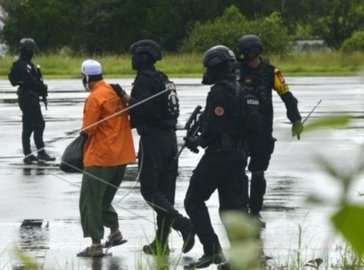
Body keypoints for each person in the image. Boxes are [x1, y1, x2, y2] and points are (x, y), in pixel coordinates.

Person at [121, 39, 194, 256]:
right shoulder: (163, 79)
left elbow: (141, 110)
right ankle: (160, 243)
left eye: (134, 56)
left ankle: (183, 225)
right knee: (165, 194)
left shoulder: (144, 80)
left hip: (154, 140)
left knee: (150, 190)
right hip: (170, 140)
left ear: (143, 57)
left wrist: (124, 98)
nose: (132, 59)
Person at [183, 45, 250, 269]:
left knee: (193, 199)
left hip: (221, 156)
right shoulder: (240, 88)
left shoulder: (219, 92)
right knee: (230, 209)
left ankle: (212, 251)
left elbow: (215, 128)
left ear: (216, 68)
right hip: (238, 155)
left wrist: (198, 141)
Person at [235, 34, 303, 225]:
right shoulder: (235, 71)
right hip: (239, 131)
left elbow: (288, 97)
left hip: (261, 132)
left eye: (243, 50)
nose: (239, 53)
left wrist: (296, 120)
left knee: (257, 173)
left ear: (253, 51)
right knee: (237, 172)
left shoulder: (272, 72)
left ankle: (255, 212)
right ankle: (239, 211)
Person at [76, 59, 136, 257]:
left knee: (90, 201)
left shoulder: (95, 97)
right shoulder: (116, 93)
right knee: (104, 200)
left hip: (100, 157)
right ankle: (115, 233)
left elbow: (89, 129)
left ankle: (95, 245)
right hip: (121, 156)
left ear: (86, 77)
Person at [8, 38, 55, 165]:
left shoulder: (19, 65)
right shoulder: (24, 66)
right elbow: (31, 82)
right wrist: (42, 88)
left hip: (25, 97)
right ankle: (41, 153)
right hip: (29, 98)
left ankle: (28, 154)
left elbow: (14, 80)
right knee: (39, 124)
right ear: (28, 51)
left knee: (28, 125)